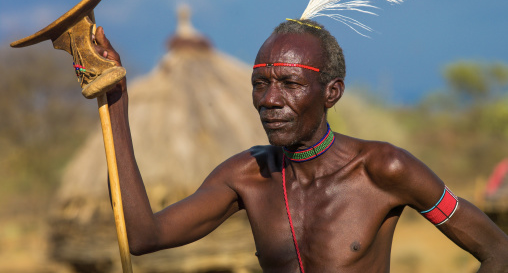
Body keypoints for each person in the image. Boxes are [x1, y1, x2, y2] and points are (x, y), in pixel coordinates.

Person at [95, 17, 508, 273]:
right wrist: (114, 98)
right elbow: (142, 237)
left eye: (290, 84)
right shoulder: (246, 177)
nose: (270, 100)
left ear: (331, 93)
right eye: (260, 84)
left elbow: (498, 251)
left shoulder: (384, 169)